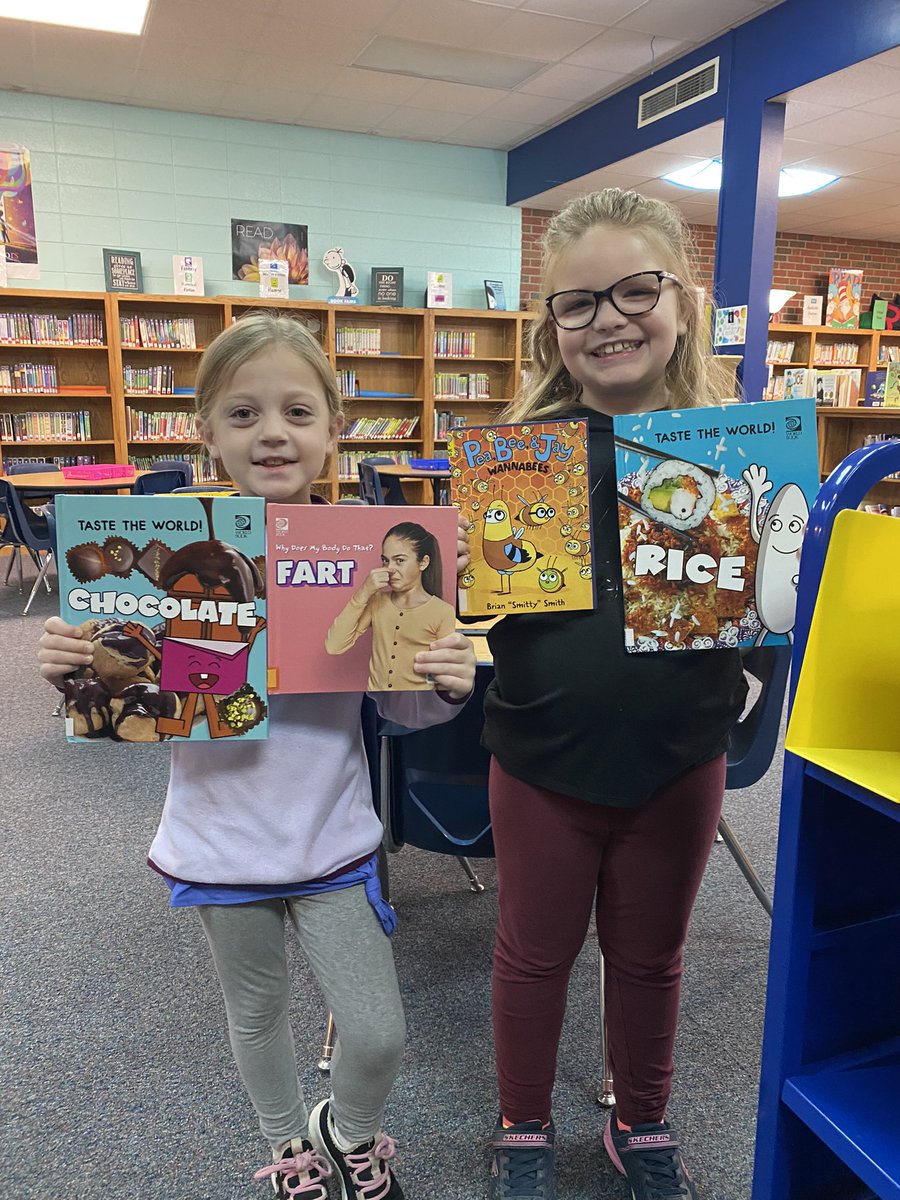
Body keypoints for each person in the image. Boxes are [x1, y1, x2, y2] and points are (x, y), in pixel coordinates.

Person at [38, 314, 477, 1200]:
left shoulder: (372, 555)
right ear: (204, 431)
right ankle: (288, 1150)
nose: (272, 433)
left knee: (379, 1032)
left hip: (331, 838)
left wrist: (446, 682)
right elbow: (132, 700)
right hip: (220, 839)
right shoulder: (172, 561)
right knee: (256, 1013)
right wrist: (75, 670)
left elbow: (397, 704)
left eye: (297, 412)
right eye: (242, 415)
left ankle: (345, 1133)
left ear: (333, 428)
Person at [483, 189, 748, 1200]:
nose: (608, 320)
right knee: (532, 953)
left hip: (679, 758)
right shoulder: (520, 460)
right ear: (550, 329)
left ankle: (641, 1120)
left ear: (680, 301)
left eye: (636, 290)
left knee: (652, 958)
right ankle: (522, 1124)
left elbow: (768, 604)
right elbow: (484, 620)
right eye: (577, 303)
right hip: (542, 756)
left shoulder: (733, 452)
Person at [325, 522, 456, 691]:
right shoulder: (376, 601)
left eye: (399, 560)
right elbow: (334, 646)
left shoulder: (442, 611)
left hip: (418, 707)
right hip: (377, 704)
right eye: (385, 561)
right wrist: (363, 592)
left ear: (423, 563)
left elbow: (444, 672)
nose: (389, 569)